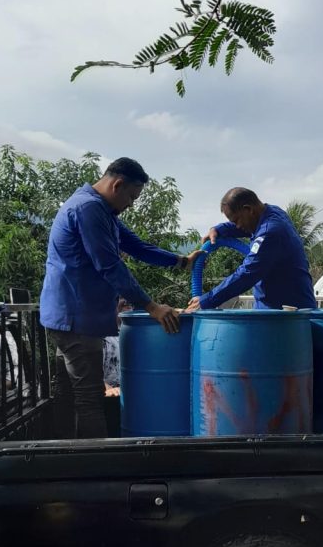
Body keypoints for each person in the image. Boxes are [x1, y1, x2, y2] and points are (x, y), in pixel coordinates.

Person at [40, 157, 202, 438]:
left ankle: (63, 453)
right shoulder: (89, 209)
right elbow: (109, 266)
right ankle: (95, 461)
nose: (131, 204)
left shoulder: (101, 210)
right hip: (77, 318)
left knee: (68, 393)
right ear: (117, 185)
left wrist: (179, 261)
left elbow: (137, 246)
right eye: (131, 197)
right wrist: (151, 307)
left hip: (67, 316)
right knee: (89, 398)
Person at [186, 188, 316, 312]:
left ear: (248, 209)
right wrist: (218, 229)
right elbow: (241, 227)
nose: (237, 226)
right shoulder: (272, 213)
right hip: (272, 310)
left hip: (288, 314)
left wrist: (206, 301)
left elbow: (246, 274)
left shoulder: (270, 232)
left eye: (236, 220)